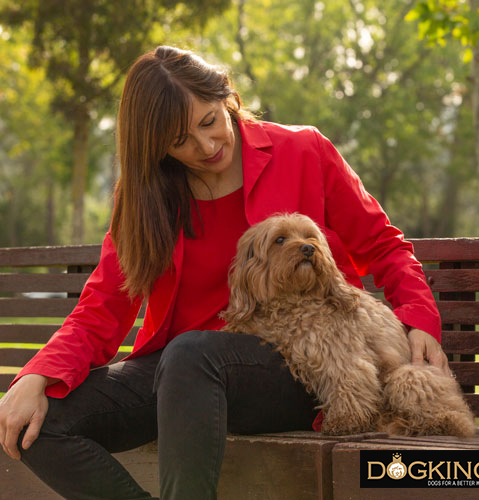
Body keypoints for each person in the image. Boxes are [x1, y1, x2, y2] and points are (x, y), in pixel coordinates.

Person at [0, 46, 450, 500]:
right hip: (179, 379)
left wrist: (419, 318)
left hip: (297, 365)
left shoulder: (303, 150)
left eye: (209, 121)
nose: (206, 146)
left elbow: (383, 244)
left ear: (226, 96)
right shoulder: (145, 198)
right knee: (35, 426)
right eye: (180, 140)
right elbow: (102, 306)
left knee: (192, 353)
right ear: (155, 147)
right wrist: (35, 377)